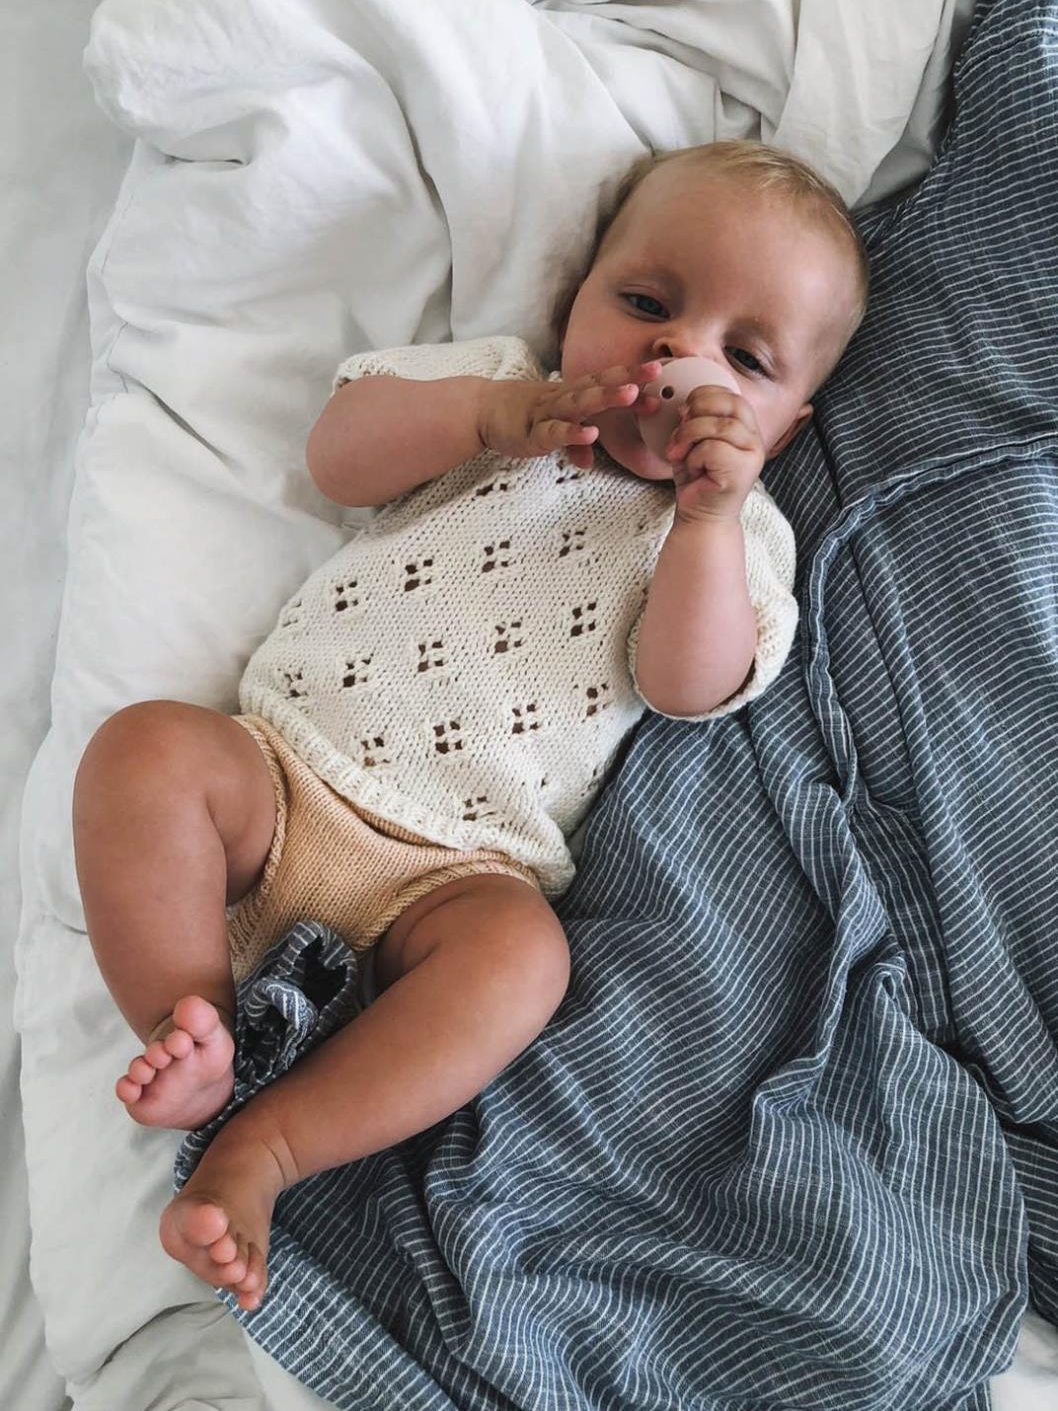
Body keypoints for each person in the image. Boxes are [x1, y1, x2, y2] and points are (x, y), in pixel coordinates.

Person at [71, 139, 869, 1312]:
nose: (677, 356)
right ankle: (188, 1025)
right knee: (144, 750)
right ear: (576, 297)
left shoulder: (741, 541)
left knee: (523, 963)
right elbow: (337, 456)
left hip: (456, 877)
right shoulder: (499, 388)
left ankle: (269, 1149)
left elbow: (686, 685)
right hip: (281, 774)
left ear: (786, 427)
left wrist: (706, 521)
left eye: (743, 359)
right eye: (645, 304)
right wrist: (489, 415)